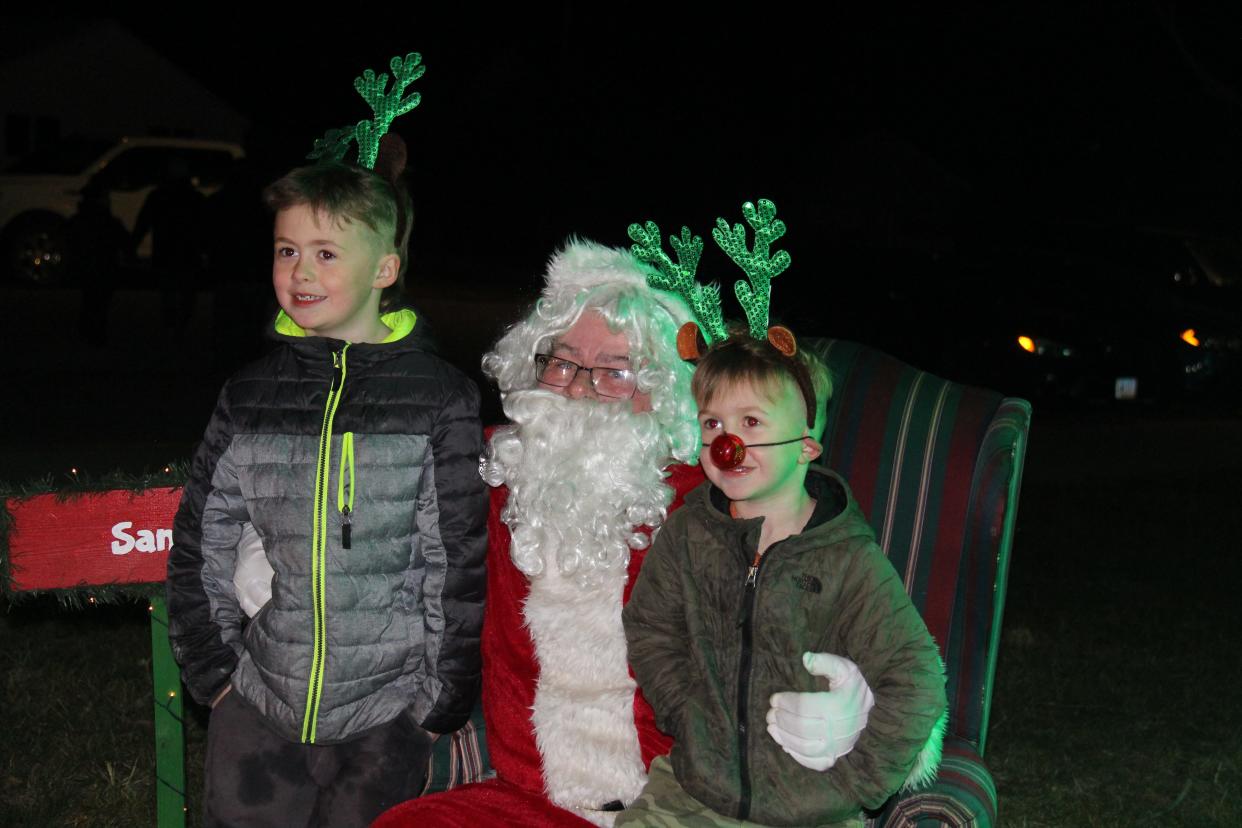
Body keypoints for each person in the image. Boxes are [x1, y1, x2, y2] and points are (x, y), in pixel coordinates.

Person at [373, 241, 874, 828]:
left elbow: (843, 604)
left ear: (663, 391)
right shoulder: (498, 473)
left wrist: (854, 700)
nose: (580, 388)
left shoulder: (720, 495)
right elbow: (380, 512)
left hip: (690, 801)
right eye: (561, 363)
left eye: (614, 372)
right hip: (539, 802)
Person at [166, 160, 487, 828]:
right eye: (287, 251)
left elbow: (455, 564)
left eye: (326, 253)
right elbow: (202, 537)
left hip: (386, 715)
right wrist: (217, 680)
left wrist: (436, 707)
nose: (301, 272)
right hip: (258, 705)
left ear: (384, 270)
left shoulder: (437, 398)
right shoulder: (251, 394)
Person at [619, 334, 947, 827]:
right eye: (713, 423)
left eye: (751, 422)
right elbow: (650, 627)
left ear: (806, 446)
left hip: (810, 811)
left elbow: (916, 678)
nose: (728, 443)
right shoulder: (688, 533)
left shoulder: (848, 558)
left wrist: (858, 782)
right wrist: (687, 714)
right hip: (691, 796)